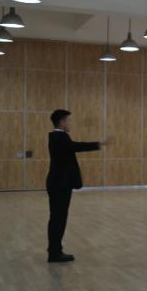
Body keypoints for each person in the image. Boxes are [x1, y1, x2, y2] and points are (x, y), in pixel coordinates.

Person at [45, 109, 109, 263]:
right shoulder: (60, 137)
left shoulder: (55, 136)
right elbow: (76, 146)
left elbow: (72, 147)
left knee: (57, 218)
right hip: (60, 184)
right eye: (68, 120)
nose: (70, 123)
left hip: (58, 183)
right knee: (58, 219)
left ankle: (54, 250)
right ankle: (55, 253)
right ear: (62, 122)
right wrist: (98, 144)